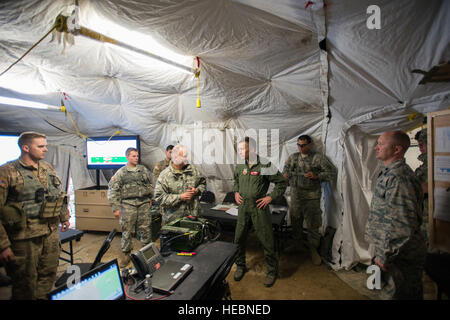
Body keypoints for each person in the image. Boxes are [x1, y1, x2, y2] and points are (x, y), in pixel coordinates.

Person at [0, 131, 70, 299]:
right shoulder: (7, 172)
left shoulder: (47, 168)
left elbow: (56, 193)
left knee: (48, 277)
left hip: (50, 233)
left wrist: (64, 216)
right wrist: (3, 245)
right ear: (25, 148)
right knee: (24, 284)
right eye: (40, 146)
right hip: (24, 239)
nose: (45, 150)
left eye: (45, 146)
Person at [365, 130, 426, 300]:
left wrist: (385, 254)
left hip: (400, 253)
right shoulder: (389, 174)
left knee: (397, 294)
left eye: (381, 144)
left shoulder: (399, 178)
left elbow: (402, 223)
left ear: (397, 149)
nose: (376, 147)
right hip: (390, 248)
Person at [233, 137, 287, 287]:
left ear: (253, 150)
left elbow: (282, 182)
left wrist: (270, 197)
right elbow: (236, 180)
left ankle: (271, 271)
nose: (240, 152)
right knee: (239, 239)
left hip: (259, 208)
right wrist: (236, 192)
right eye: (239, 149)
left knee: (267, 240)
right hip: (243, 207)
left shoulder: (264, 164)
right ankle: (240, 266)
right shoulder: (240, 165)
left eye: (243, 149)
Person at [282, 135, 336, 265]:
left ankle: (313, 249)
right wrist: (286, 175)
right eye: (299, 145)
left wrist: (317, 176)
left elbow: (332, 172)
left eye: (303, 145)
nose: (301, 148)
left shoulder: (318, 158)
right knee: (295, 220)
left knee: (313, 223)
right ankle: (297, 244)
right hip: (296, 195)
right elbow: (286, 170)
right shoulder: (294, 157)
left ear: (310, 144)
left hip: (312, 196)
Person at [108, 147, 154, 268]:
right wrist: (115, 208)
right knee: (127, 231)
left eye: (137, 156)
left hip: (143, 203)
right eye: (133, 156)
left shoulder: (143, 170)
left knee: (146, 229)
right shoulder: (121, 173)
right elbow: (113, 190)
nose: (136, 158)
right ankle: (126, 254)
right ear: (127, 157)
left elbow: (149, 185)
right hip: (127, 205)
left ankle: (146, 252)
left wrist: (151, 198)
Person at [154, 145, 206, 223]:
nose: (187, 158)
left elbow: (203, 184)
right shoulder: (165, 175)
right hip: (174, 221)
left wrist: (197, 191)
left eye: (187, 156)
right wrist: (180, 197)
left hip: (194, 218)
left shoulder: (193, 170)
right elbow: (159, 198)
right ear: (175, 156)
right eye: (184, 156)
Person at [414, 129, 430, 249]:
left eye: (422, 144)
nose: (420, 148)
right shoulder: (426, 165)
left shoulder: (436, 163)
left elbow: (426, 187)